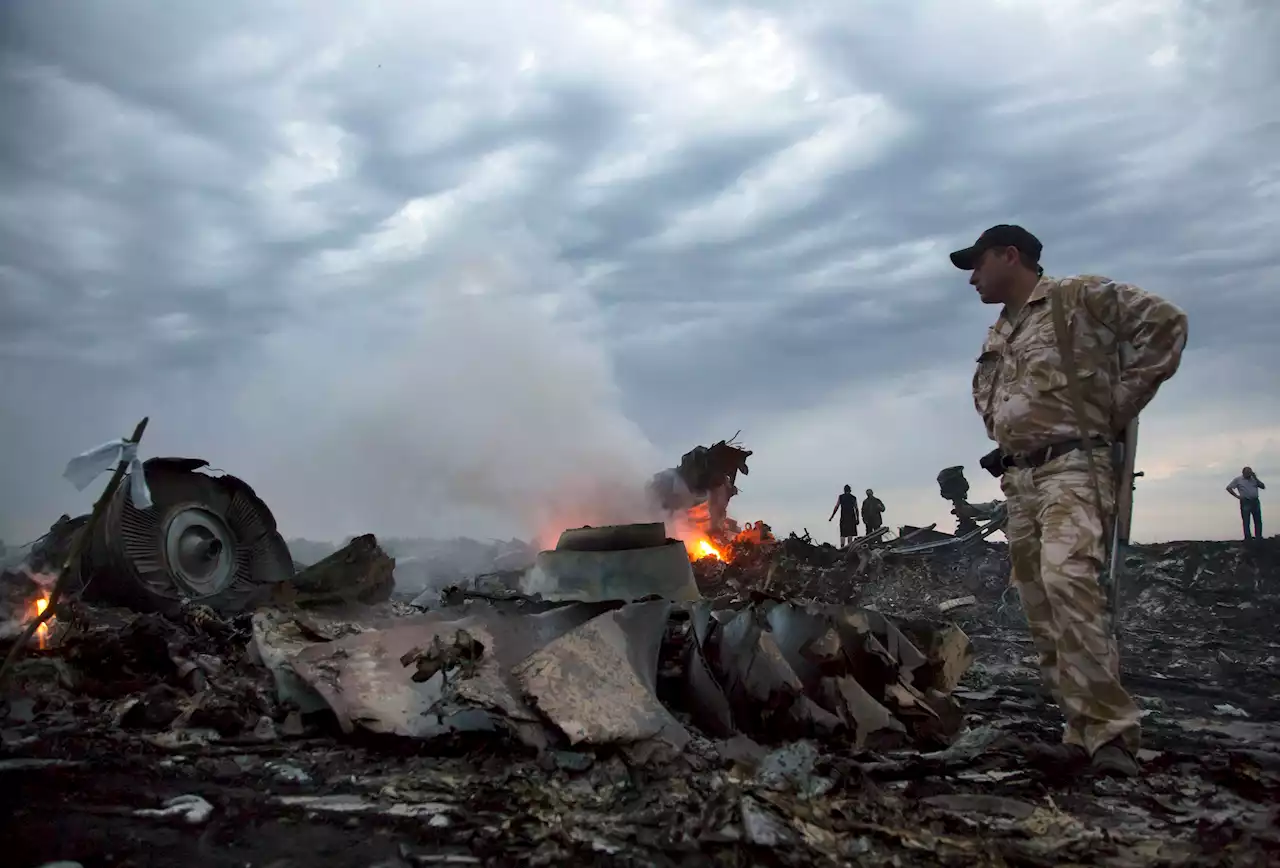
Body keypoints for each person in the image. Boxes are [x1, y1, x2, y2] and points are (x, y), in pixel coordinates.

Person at [953, 224, 1187, 777]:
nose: (972, 276)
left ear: (1010, 255)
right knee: (1041, 603)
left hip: (1073, 468)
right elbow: (996, 398)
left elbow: (1166, 324)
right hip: (1021, 480)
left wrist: (1117, 405)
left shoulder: (1078, 297)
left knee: (1070, 582)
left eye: (978, 262)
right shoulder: (1000, 331)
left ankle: (1111, 736)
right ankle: (1079, 730)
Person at [1226, 467, 1265, 539]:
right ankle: (1248, 538)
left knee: (1258, 520)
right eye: (1248, 473)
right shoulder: (1238, 480)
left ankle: (1258, 537)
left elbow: (1263, 486)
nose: (1249, 474)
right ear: (1243, 473)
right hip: (1245, 501)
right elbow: (1229, 488)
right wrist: (1237, 496)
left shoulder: (1254, 479)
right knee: (1246, 521)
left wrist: (1256, 478)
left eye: (1250, 473)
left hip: (1255, 501)